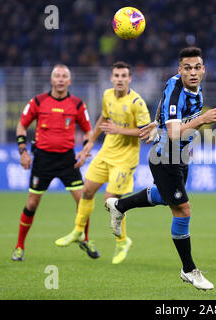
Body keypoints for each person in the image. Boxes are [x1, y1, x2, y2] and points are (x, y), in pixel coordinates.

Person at [105, 47, 216, 290]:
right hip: (165, 156)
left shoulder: (180, 84)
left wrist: (155, 122)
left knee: (164, 196)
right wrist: (202, 119)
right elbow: (172, 133)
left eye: (196, 67)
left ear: (203, 70)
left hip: (181, 155)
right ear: (179, 70)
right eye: (187, 68)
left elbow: (164, 109)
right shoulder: (177, 90)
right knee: (182, 209)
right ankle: (189, 269)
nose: (192, 72)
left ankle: (119, 205)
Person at [55, 61, 151, 264]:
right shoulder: (107, 95)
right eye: (116, 75)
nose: (119, 79)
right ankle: (79, 232)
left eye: (124, 76)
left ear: (129, 79)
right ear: (111, 78)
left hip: (125, 158)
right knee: (87, 190)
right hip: (106, 152)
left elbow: (146, 131)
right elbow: (102, 119)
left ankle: (122, 241)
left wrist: (119, 130)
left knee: (110, 201)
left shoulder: (137, 102)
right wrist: (89, 143)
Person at [12, 64, 94, 261]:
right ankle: (19, 246)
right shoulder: (38, 101)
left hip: (67, 159)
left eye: (64, 76)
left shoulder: (77, 104)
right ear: (51, 80)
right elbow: (21, 127)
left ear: (69, 81)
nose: (60, 79)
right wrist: (23, 152)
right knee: (32, 203)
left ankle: (85, 239)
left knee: (83, 201)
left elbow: (89, 132)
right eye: (57, 75)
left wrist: (84, 152)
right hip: (43, 159)